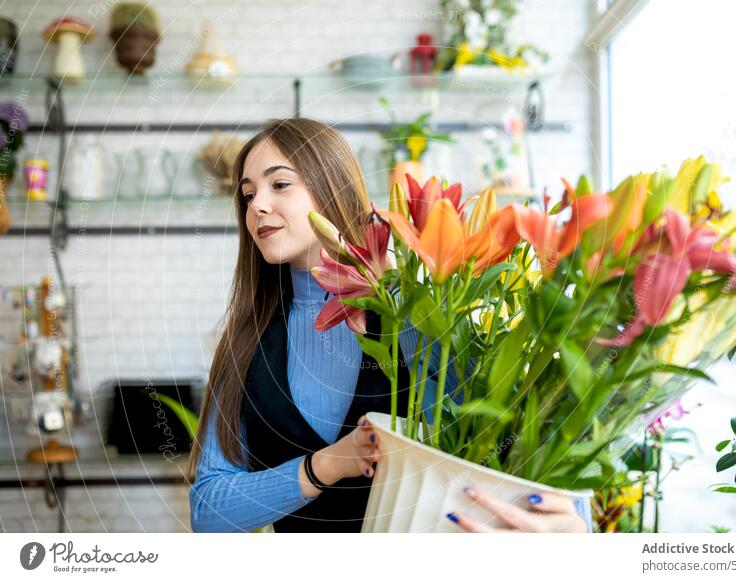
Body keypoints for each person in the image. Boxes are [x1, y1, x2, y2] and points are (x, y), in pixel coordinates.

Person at [188, 118, 590, 533]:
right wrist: (326, 465)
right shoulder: (246, 342)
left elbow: (514, 458)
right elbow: (207, 511)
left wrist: (576, 526)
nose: (257, 206)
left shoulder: (419, 318)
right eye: (248, 194)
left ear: (332, 187)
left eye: (280, 185)